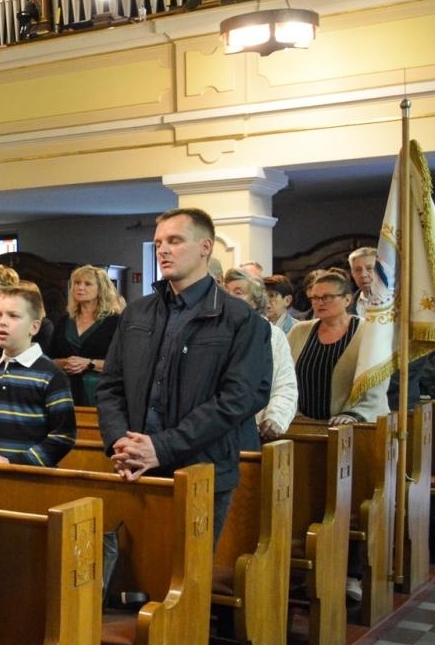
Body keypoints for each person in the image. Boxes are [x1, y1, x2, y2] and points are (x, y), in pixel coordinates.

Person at [97, 208, 272, 539]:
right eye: (158, 242)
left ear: (205, 247)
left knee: (188, 581)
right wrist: (120, 441)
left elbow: (239, 398)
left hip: (202, 470)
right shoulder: (137, 313)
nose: (163, 249)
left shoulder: (239, 319)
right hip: (135, 466)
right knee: (135, 581)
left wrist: (161, 447)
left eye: (174, 241)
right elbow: (110, 386)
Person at [0, 283, 76, 466]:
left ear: (34, 327)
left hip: (31, 479)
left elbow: (63, 436)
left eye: (13, 316)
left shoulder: (51, 375)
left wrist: (16, 463)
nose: (3, 321)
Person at [287, 269, 387, 424]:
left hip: (357, 425)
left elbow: (376, 385)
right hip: (304, 424)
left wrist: (352, 415)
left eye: (327, 297)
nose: (319, 302)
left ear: (347, 299)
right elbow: (284, 376)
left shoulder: (369, 332)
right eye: (314, 298)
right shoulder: (299, 331)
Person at [221, 270, 298, 442]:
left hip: (253, 430)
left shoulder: (273, 335)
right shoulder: (212, 332)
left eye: (238, 292)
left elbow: (285, 385)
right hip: (215, 428)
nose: (229, 297)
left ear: (255, 302)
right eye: (226, 291)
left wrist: (275, 417)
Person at [49, 265, 122, 407]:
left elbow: (122, 364)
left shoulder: (115, 322)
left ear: (101, 290)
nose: (80, 288)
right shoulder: (64, 320)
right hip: (64, 392)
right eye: (77, 283)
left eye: (87, 284)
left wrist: (89, 363)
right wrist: (65, 362)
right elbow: (50, 359)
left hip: (100, 393)